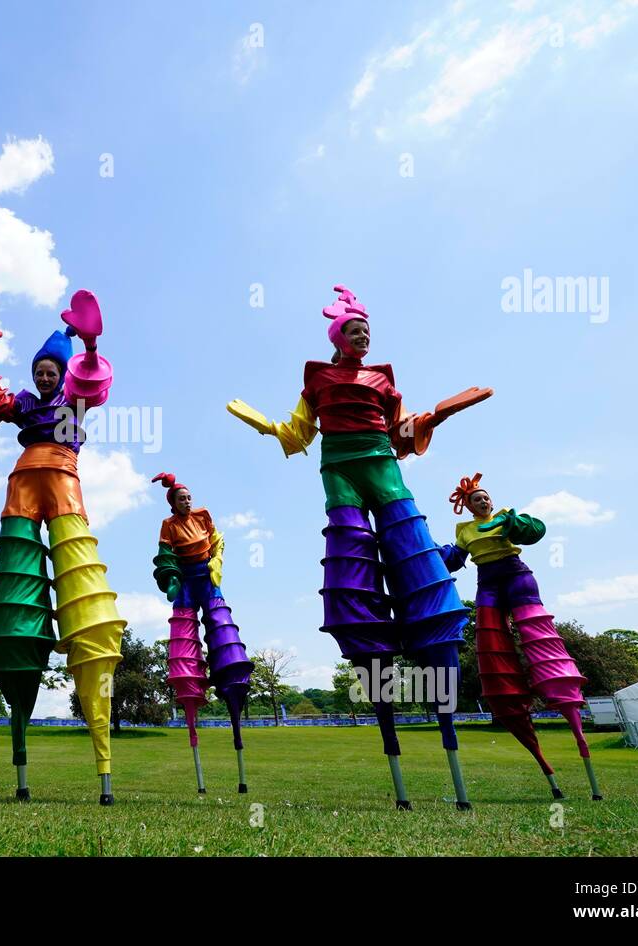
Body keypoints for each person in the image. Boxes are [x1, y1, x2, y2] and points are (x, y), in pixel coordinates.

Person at [228, 284, 491, 810]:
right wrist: (264, 425)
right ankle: (389, 737)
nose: (362, 335)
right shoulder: (318, 378)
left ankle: (447, 733)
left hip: (381, 463)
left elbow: (400, 431)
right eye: (354, 329)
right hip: (338, 469)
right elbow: (300, 432)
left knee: (414, 556)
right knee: (352, 567)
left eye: (366, 330)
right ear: (337, 337)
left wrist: (436, 417)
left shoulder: (382, 378)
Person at [0, 289, 125, 804]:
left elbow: (95, 384)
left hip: (64, 479)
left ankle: (102, 759)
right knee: (16, 586)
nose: (43, 377)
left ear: (63, 372)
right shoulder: (28, 405)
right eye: (38, 371)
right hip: (21, 484)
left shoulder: (73, 398)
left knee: (79, 577)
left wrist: (91, 343)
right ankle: (19, 762)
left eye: (51, 371)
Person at [442, 473, 602, 800]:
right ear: (469, 507)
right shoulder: (465, 531)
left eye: (486, 497)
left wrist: (514, 523)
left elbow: (535, 531)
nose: (483, 501)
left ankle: (577, 734)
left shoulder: (507, 518)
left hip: (518, 578)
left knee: (540, 642)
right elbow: (454, 561)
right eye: (477, 499)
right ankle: (541, 758)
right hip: (487, 585)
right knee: (489, 644)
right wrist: (424, 548)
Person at [151, 472, 253, 794]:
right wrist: (169, 580)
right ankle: (193, 727)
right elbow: (165, 556)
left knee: (223, 637)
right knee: (183, 650)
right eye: (182, 498)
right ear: (173, 503)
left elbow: (218, 540)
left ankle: (236, 731)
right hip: (185, 583)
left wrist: (217, 560)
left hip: (208, 580)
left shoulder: (203, 515)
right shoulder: (168, 526)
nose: (187, 501)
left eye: (189, 497)